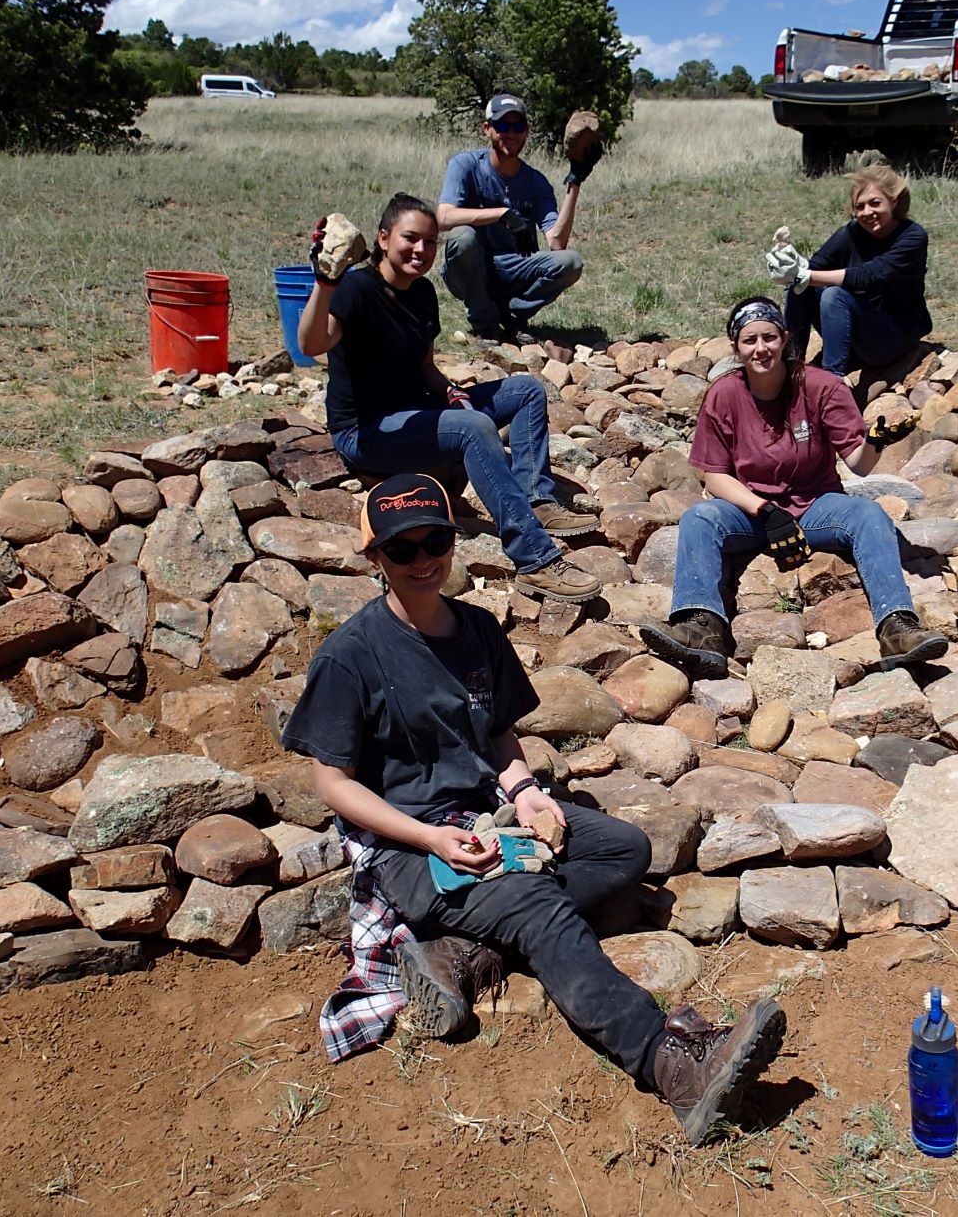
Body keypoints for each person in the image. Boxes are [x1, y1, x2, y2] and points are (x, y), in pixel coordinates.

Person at [280, 472, 788, 1145]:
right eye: (404, 550)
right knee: (536, 906)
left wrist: (526, 793)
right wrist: (430, 839)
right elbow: (333, 783)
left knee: (623, 849)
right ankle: (671, 1067)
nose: (425, 559)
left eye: (438, 540)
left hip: (489, 814)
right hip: (410, 846)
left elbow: (497, 736)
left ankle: (460, 948)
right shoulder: (350, 656)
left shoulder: (479, 630)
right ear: (375, 559)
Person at [298, 192, 601, 604]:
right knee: (473, 429)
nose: (421, 250)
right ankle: (535, 560)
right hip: (366, 433)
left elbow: (424, 365)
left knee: (526, 390)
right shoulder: (356, 289)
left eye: (429, 242)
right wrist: (325, 281)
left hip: (419, 413)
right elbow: (312, 343)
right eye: (410, 239)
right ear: (383, 239)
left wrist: (450, 392)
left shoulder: (421, 293)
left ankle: (536, 499)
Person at [639, 296, 949, 679]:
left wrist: (875, 441)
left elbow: (859, 464)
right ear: (736, 346)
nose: (761, 348)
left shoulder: (821, 386)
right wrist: (765, 511)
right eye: (749, 340)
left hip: (817, 505)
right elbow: (714, 476)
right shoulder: (724, 394)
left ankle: (897, 627)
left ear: (785, 339)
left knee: (868, 514)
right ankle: (701, 628)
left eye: (769, 337)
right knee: (700, 518)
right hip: (750, 511)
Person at [436, 93, 598, 344]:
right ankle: (485, 324)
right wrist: (503, 214)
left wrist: (575, 181)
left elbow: (556, 242)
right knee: (462, 236)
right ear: (487, 129)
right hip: (470, 269)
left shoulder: (536, 182)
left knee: (571, 262)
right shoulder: (465, 165)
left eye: (518, 126)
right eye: (502, 125)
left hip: (515, 270)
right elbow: (444, 217)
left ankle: (513, 316)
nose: (511, 133)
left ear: (527, 131)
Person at [767, 159, 932, 376]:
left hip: (893, 337)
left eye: (875, 203)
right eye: (859, 206)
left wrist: (805, 275)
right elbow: (814, 268)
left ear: (893, 201)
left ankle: (833, 380)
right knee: (800, 286)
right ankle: (790, 365)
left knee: (832, 294)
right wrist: (792, 264)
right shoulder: (851, 233)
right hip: (856, 331)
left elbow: (869, 276)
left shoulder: (912, 237)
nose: (867, 212)